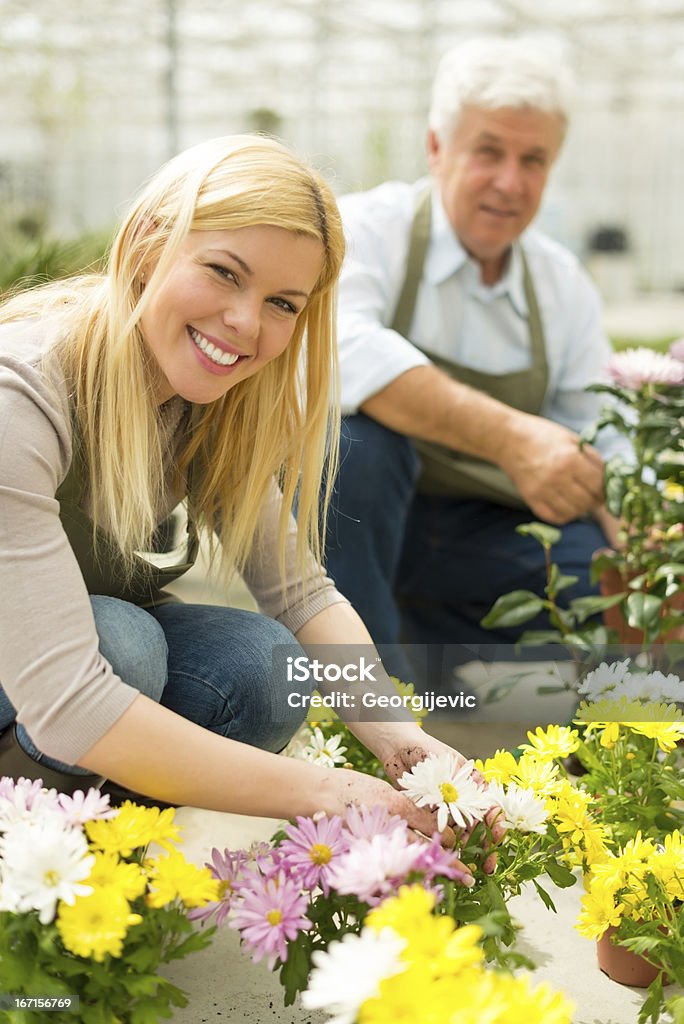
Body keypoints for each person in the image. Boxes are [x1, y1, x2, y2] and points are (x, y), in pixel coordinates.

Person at [0, 134, 488, 842]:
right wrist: (332, 793)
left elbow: (300, 593)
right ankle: (33, 875)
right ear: (145, 244)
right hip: (49, 686)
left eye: (283, 304)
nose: (245, 324)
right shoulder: (23, 394)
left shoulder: (209, 406)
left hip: (49, 687)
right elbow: (73, 701)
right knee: (125, 644)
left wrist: (407, 749)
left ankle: (111, 869)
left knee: (261, 663)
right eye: (224, 272)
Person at [325, 37, 622, 687]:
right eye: (488, 151)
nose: (510, 183)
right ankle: (366, 702)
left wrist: (634, 515)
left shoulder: (560, 284)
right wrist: (513, 437)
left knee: (607, 579)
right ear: (436, 148)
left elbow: (602, 426)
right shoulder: (367, 231)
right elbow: (339, 345)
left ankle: (433, 648)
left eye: (533, 159)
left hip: (481, 537)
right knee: (352, 446)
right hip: (363, 533)